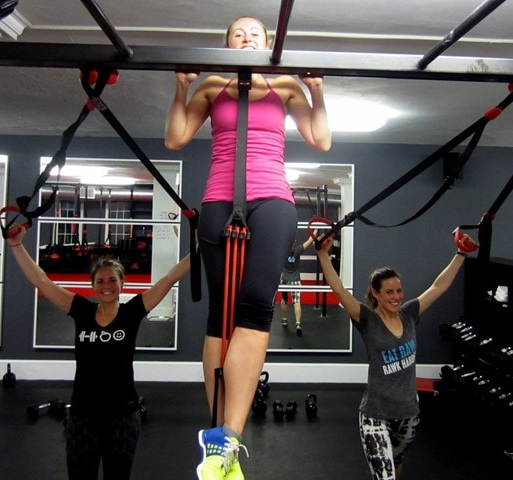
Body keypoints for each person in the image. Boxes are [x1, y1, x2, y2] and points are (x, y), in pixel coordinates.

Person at [165, 15, 331, 480]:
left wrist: (317, 90)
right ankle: (217, 433)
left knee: (257, 304)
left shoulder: (286, 86)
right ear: (227, 44)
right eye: (238, 33)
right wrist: (181, 87)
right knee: (221, 311)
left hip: (273, 199)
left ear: (268, 43)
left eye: (254, 33)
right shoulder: (211, 85)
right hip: (218, 199)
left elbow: (321, 140)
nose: (246, 38)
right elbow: (175, 138)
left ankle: (227, 440)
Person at [5, 223, 190, 480]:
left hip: (123, 415)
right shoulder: (81, 310)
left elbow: (169, 278)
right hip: (83, 414)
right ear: (92, 284)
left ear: (122, 283)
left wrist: (201, 246)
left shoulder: (132, 312)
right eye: (100, 280)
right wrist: (16, 244)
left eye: (113, 280)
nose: (107, 285)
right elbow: (42, 281)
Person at [316, 233, 476, 480]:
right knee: (385, 476)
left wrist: (461, 253)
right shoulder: (367, 319)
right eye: (389, 292)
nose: (396, 297)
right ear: (376, 294)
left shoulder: (409, 313)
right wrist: (323, 255)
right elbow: (338, 289)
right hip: (375, 415)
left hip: (408, 414)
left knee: (396, 463)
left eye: (399, 291)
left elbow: (438, 287)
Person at [279, 230, 316, 334]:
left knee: (284, 300)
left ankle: (284, 320)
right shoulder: (298, 250)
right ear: (294, 242)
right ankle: (298, 323)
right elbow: (310, 240)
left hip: (284, 279)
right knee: (297, 301)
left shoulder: (282, 251)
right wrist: (316, 229)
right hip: (295, 280)